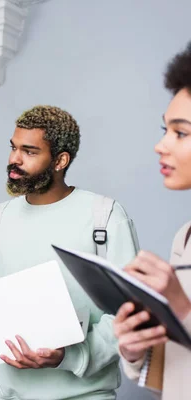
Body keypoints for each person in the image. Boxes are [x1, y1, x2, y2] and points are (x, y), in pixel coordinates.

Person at [0, 105, 139, 399]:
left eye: (29, 152)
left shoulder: (104, 216)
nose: (14, 160)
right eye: (13, 148)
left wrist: (69, 356)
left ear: (60, 160)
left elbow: (129, 313)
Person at [115, 41, 191, 400]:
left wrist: (180, 308)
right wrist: (137, 347)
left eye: (181, 132)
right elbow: (177, 370)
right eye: (165, 130)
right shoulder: (185, 237)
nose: (162, 145)